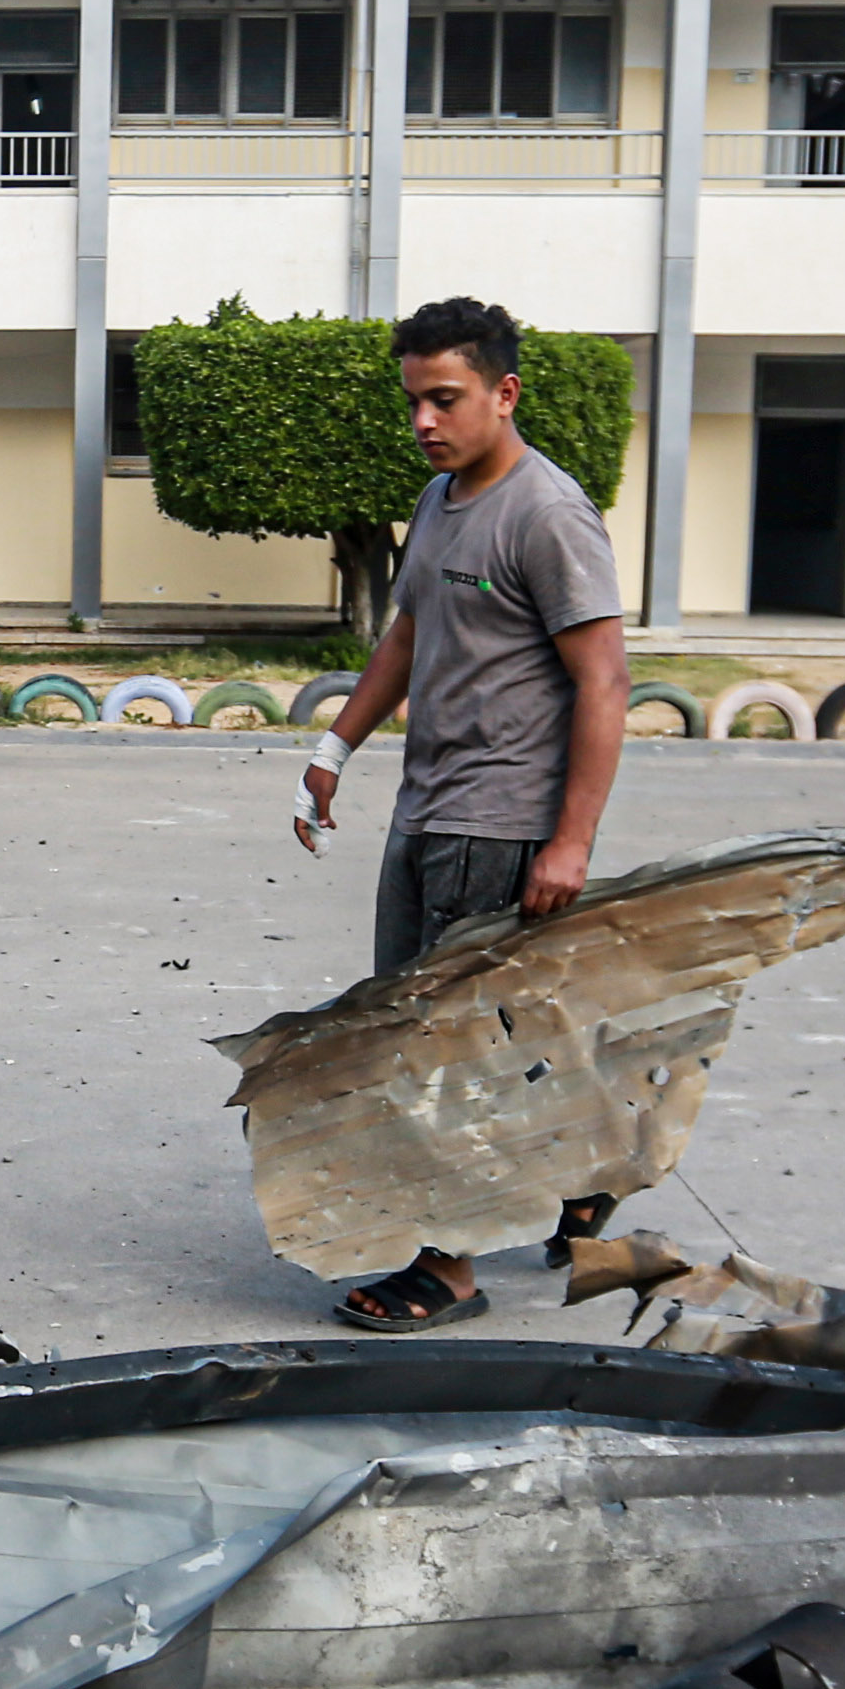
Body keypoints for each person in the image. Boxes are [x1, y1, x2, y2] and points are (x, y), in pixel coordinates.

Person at [284, 295, 630, 1329]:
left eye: (446, 400)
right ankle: (578, 1184)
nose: (425, 421)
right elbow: (404, 635)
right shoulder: (439, 502)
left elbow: (605, 684)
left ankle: (449, 1269)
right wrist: (334, 746)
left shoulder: (548, 513)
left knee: (446, 1046)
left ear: (503, 393)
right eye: (414, 403)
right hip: (428, 807)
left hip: (500, 818)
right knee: (450, 1022)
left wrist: (569, 840)